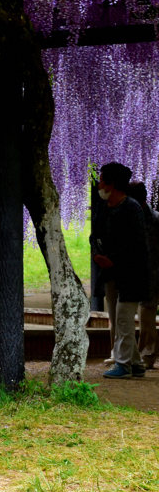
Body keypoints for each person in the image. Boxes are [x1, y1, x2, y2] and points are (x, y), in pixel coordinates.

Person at [93, 162, 150, 379]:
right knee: (117, 318)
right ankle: (135, 364)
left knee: (125, 319)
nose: (99, 184)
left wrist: (112, 259)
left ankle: (123, 364)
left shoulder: (131, 207)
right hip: (110, 274)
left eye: (102, 180)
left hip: (131, 274)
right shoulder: (102, 207)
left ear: (112, 183)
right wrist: (96, 254)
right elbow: (94, 235)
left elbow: (136, 244)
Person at [128, 182, 159, 368]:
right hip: (142, 275)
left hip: (153, 275)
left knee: (146, 317)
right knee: (143, 317)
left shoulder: (154, 219)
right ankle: (143, 354)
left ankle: (147, 355)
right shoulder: (133, 216)